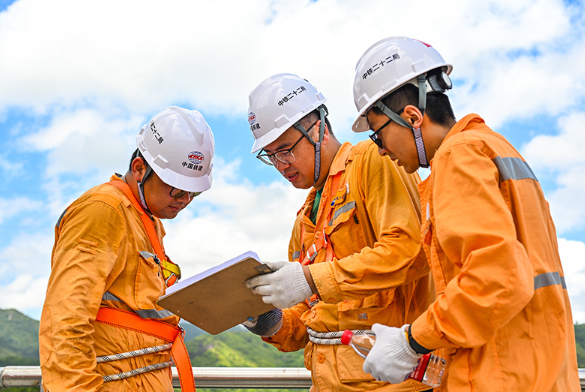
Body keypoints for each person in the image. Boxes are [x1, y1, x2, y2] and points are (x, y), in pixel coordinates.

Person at [350, 36, 580, 391]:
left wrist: (412, 340)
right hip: (540, 371)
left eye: (378, 136)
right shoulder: (494, 147)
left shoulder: (458, 158)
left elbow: (497, 275)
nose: (380, 151)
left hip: (498, 376)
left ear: (412, 116)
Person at [243, 73, 434, 392]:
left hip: (391, 384)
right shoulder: (305, 218)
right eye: (270, 155)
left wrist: (311, 278)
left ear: (317, 129)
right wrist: (267, 319)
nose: (280, 164)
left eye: (285, 150)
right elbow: (309, 318)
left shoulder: (374, 161)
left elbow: (412, 249)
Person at [39, 106, 215, 392]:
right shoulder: (102, 210)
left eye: (193, 192)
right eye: (176, 189)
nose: (185, 200)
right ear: (139, 169)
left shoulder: (147, 220)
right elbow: (66, 317)